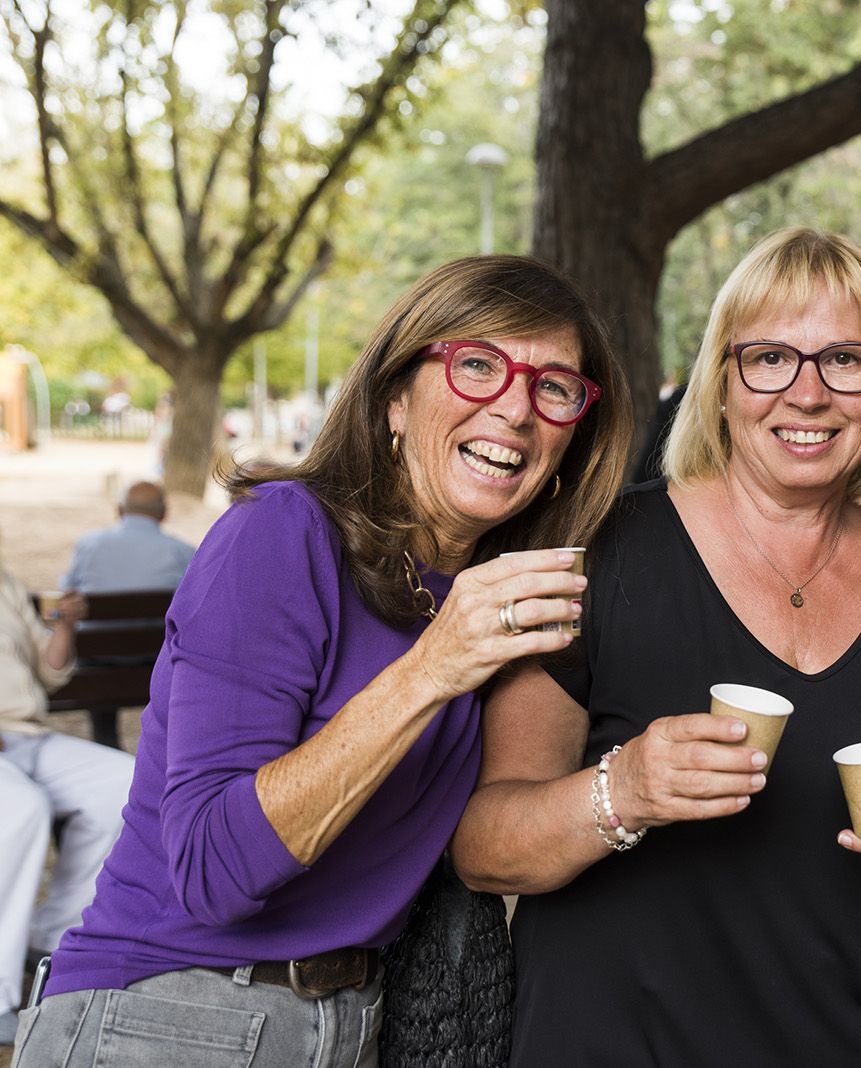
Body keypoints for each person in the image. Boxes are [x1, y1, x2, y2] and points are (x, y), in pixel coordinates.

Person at [12, 255, 632, 1067]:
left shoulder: (493, 594)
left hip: (348, 1027)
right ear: (393, 400)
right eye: (477, 365)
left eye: (554, 387)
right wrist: (433, 668)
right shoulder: (281, 536)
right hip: (167, 1013)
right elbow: (210, 870)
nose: (515, 409)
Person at [452, 229, 861, 1066]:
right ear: (723, 385)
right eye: (770, 358)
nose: (807, 394)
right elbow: (484, 849)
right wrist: (625, 788)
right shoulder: (600, 552)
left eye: (845, 359)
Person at [0, 544, 133, 1048]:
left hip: (26, 737)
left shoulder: (6, 584)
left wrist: (64, 626)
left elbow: (51, 671)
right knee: (22, 811)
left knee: (125, 784)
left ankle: (47, 941)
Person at [61, 481, 196, 594]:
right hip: (156, 626)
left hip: (96, 625)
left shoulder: (88, 544)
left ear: (119, 510)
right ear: (164, 513)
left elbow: (68, 589)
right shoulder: (184, 552)